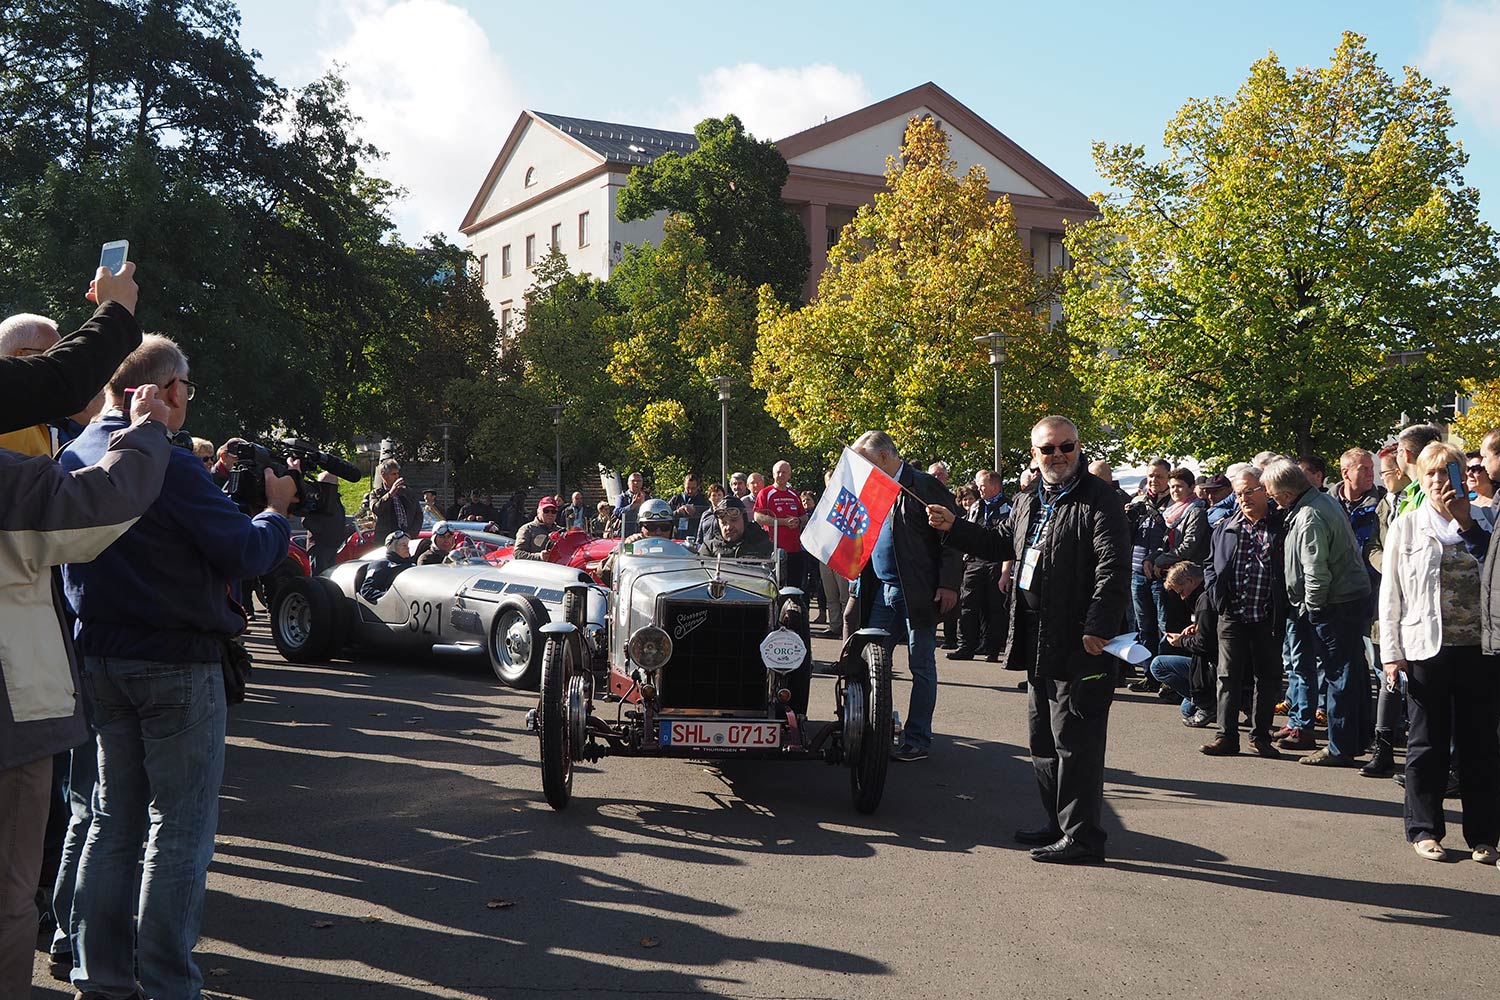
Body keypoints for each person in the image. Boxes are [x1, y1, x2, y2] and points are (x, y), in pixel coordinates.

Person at [60, 334, 295, 999]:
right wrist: (276, 513)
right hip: (173, 661)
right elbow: (243, 552)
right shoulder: (167, 459)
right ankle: (166, 983)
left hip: (99, 655)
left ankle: (99, 975)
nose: (187, 398)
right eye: (185, 386)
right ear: (164, 390)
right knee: (178, 831)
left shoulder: (78, 450)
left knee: (110, 821)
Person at [928, 416, 1129, 863]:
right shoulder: (1027, 500)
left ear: (1079, 449)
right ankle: (1058, 823)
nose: (1059, 456)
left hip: (1080, 640)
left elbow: (1112, 570)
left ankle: (1083, 838)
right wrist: (953, 525)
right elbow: (999, 542)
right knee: (1043, 740)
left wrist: (1098, 627)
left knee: (1076, 742)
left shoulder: (1101, 501)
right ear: (1034, 455)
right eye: (1048, 449)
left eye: (1067, 447)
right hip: (1036, 635)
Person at [1382, 440, 1498, 862]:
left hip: (1482, 650)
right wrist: (1391, 653)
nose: (1437, 481)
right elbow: (1390, 593)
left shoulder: (1487, 519)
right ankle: (1425, 829)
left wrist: (1468, 524)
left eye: (1446, 472)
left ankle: (1484, 836)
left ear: (1461, 478)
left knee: (1481, 744)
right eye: (1430, 473)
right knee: (1426, 743)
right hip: (1425, 648)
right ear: (1420, 478)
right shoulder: (1407, 525)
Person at [850, 432, 961, 763]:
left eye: (865, 460)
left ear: (884, 457)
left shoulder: (924, 485)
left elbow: (953, 536)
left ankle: (917, 739)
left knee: (921, 664)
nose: (862, 469)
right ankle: (873, 726)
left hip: (918, 592)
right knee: (870, 661)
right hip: (883, 589)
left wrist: (948, 584)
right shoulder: (877, 485)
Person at [1264, 458, 1373, 765]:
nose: (1270, 496)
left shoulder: (1309, 515)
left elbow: (1316, 572)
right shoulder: (1318, 502)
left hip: (1334, 604)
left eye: (1271, 490)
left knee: (1339, 676)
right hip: (1344, 599)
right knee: (1350, 674)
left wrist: (1314, 610)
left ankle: (1340, 747)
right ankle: (1354, 739)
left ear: (1284, 491)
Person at [1200, 467, 1287, 758]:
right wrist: (1217, 596)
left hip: (1267, 615)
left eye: (1250, 491)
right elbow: (1210, 564)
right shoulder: (1226, 527)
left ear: (1265, 491)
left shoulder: (1280, 525)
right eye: (1239, 494)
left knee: (1268, 678)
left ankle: (1261, 736)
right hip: (1233, 613)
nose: (1244, 498)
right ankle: (1226, 736)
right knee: (1227, 676)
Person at [950, 469, 1011, 662]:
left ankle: (992, 649)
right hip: (975, 562)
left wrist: (1005, 572)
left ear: (994, 486)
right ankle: (965, 647)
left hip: (996, 562)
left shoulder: (1010, 507)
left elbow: (1010, 540)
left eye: (982, 486)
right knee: (967, 605)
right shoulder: (976, 506)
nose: (979, 490)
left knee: (995, 608)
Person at [1151, 561, 1219, 728]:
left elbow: (1204, 643)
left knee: (1157, 665)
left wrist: (1181, 641)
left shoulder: (1204, 600)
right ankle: (1211, 701)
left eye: (1181, 592)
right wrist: (1196, 628)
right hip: (1212, 664)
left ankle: (1209, 702)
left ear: (1190, 581)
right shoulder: (1211, 595)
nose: (1182, 597)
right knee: (1187, 710)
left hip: (1210, 666)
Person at [1124, 459, 1171, 659]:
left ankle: (1165, 675)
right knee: (1143, 627)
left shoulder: (1176, 503)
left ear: (1169, 477)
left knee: (1165, 625)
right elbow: (1125, 537)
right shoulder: (1137, 502)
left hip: (1163, 574)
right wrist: (1126, 519)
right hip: (1137, 573)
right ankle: (1149, 674)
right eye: (1151, 476)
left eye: (1159, 476)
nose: (1153, 480)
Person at [754, 461, 810, 600]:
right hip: (774, 549)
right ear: (773, 474)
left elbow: (804, 517)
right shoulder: (766, 493)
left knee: (794, 589)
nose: (780, 475)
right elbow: (758, 517)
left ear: (789, 475)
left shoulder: (794, 494)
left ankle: (793, 617)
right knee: (775, 588)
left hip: (794, 549)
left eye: (784, 472)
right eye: (778, 472)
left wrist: (798, 521)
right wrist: (782, 522)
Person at [301, 470, 349, 575]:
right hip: (320, 546)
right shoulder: (316, 499)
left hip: (333, 545)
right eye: (333, 484)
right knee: (319, 577)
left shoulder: (335, 500)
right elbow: (306, 520)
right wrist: (324, 531)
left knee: (330, 576)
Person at [364, 458, 420, 541]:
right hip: (386, 539)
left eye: (397, 473)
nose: (397, 476)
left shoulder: (407, 492)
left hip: (407, 538)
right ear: (383, 475)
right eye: (393, 474)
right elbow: (376, 509)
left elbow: (418, 514)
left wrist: (411, 534)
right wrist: (390, 494)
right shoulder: (376, 493)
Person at [700, 500, 773, 558]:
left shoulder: (761, 542)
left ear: (744, 520)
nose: (728, 527)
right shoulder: (709, 547)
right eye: (724, 522)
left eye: (734, 520)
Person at [668, 472, 711, 540]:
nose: (690, 491)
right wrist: (677, 512)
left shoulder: (703, 502)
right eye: (688, 488)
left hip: (694, 538)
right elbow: (666, 515)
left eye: (693, 488)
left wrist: (696, 512)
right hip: (676, 537)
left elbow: (708, 519)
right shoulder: (676, 499)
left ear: (698, 487)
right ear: (684, 485)